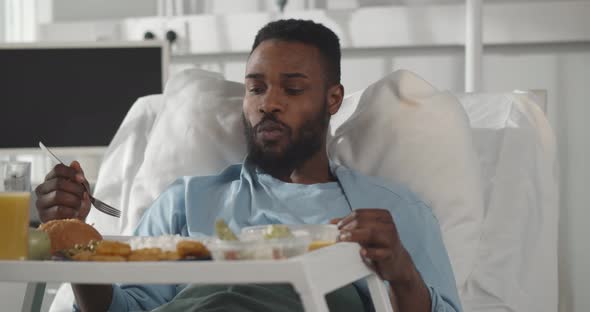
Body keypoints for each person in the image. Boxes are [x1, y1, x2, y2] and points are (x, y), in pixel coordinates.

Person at [35, 19, 462, 312]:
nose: (268, 103)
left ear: (333, 99)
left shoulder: (390, 214)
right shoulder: (186, 202)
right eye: (255, 88)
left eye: (292, 89)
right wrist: (80, 247)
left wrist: (402, 272)